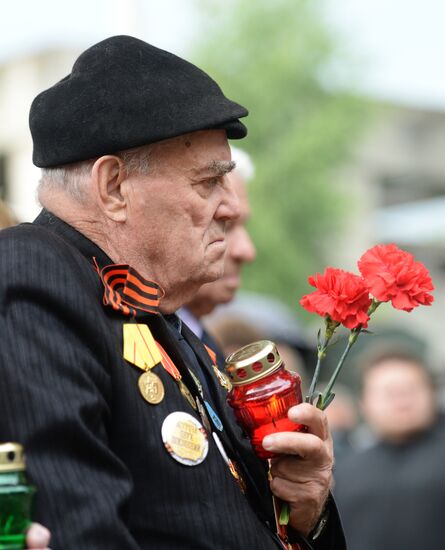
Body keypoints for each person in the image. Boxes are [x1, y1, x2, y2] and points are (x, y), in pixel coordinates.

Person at [0, 36, 344, 549]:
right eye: (209, 182)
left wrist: (305, 514)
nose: (230, 207)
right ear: (113, 186)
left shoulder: (158, 315)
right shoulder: (32, 271)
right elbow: (76, 527)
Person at [334, 349, 445, 550]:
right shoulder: (341, 470)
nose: (401, 399)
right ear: (363, 403)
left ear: (432, 393)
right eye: (388, 392)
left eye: (411, 389)